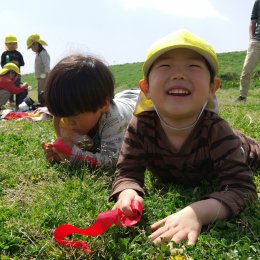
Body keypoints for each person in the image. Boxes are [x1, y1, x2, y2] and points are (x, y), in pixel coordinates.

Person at [109, 30, 259, 246]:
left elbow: (243, 189)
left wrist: (197, 212)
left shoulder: (216, 129)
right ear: (146, 88)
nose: (179, 75)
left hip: (242, 149)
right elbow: (127, 172)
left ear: (212, 88)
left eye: (193, 67)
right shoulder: (141, 126)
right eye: (165, 66)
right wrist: (128, 192)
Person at [42, 54, 139, 167]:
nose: (68, 123)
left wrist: (72, 154)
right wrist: (60, 152)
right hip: (121, 98)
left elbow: (112, 160)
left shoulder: (115, 120)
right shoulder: (79, 115)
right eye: (62, 115)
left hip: (138, 101)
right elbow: (87, 146)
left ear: (103, 105)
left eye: (73, 116)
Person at [236, 0, 260, 102]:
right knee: (246, 70)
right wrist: (251, 38)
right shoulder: (258, 2)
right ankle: (242, 97)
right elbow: (253, 22)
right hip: (256, 42)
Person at [1, 35, 25, 108]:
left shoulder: (18, 53)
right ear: (6, 45)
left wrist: (17, 63)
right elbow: (2, 64)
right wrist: (9, 64)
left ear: (16, 45)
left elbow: (22, 63)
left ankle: (18, 103)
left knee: (17, 86)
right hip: (7, 76)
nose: (12, 45)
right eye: (10, 44)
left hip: (16, 75)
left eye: (14, 44)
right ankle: (11, 101)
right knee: (9, 88)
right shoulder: (4, 54)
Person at [27, 34, 50, 105]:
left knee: (43, 95)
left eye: (31, 47)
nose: (32, 49)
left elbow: (47, 67)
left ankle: (45, 109)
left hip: (44, 77)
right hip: (40, 78)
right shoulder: (38, 54)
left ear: (36, 44)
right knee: (40, 95)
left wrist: (45, 79)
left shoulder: (43, 53)